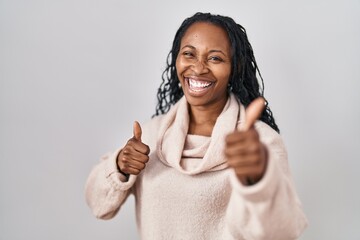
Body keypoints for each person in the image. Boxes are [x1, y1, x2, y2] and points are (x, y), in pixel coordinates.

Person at [85, 12, 308, 240]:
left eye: (215, 58)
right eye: (189, 54)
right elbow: (98, 205)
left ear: (234, 67)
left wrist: (257, 181)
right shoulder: (150, 136)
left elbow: (283, 232)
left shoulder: (259, 145)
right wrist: (120, 166)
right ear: (176, 59)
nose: (199, 68)